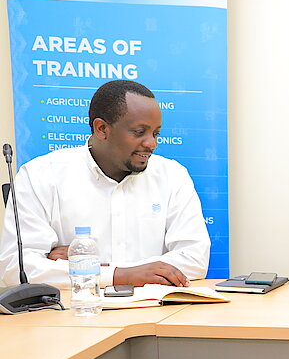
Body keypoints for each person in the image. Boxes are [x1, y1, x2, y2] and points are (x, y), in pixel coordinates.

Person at [0, 80, 210, 288]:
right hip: (77, 308)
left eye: (156, 134)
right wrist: (121, 275)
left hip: (156, 307)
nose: (151, 143)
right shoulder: (40, 175)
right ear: (101, 129)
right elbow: (16, 269)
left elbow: (194, 259)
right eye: (139, 132)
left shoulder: (172, 175)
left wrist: (96, 268)